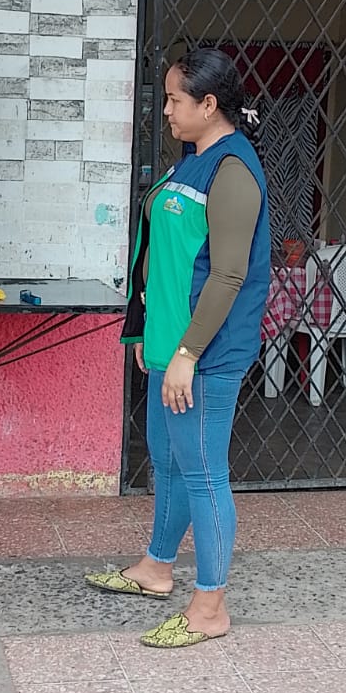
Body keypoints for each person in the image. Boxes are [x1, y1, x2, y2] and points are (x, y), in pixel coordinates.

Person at [86, 47, 272, 648]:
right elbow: (159, 256)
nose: (165, 110)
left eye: (174, 100)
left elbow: (228, 275)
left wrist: (189, 356)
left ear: (209, 104)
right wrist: (145, 332)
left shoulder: (232, 170)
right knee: (167, 461)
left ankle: (211, 606)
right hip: (169, 344)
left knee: (204, 473)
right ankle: (156, 568)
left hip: (206, 355)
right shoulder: (189, 163)